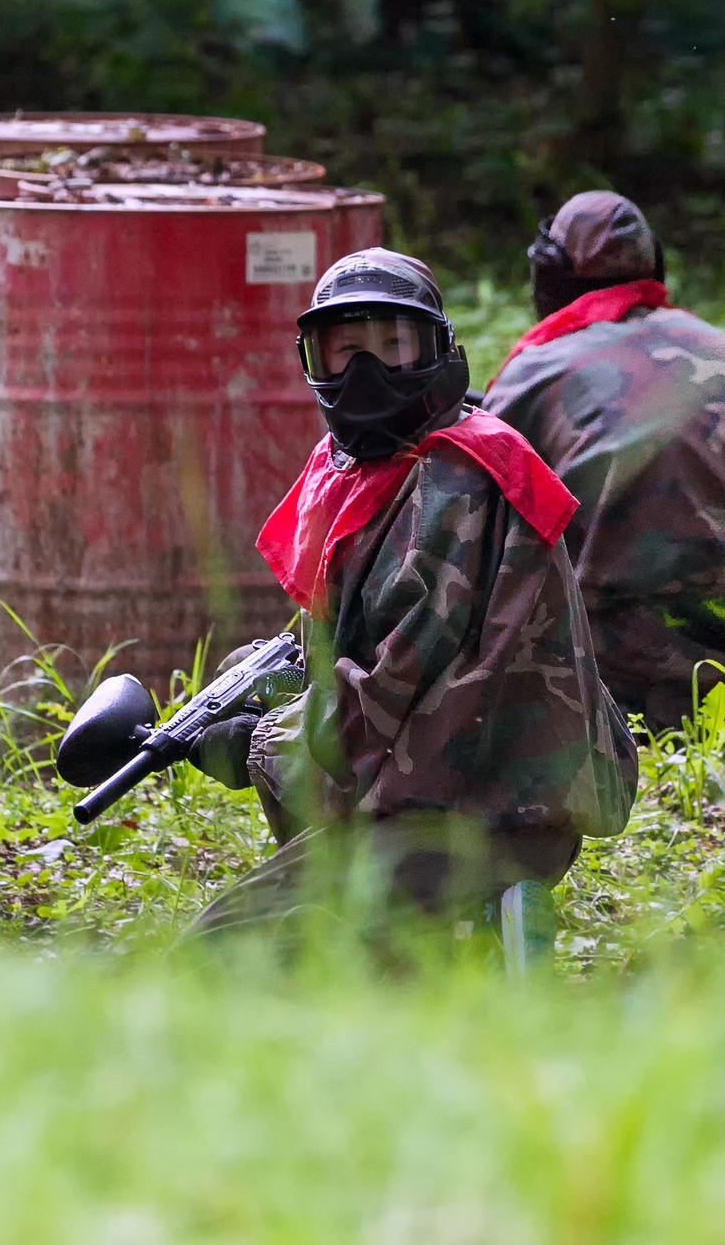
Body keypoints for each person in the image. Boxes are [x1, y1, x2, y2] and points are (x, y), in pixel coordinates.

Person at [186, 247, 639, 941]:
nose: (367, 374)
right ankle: (451, 932)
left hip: (473, 818)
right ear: (314, 360)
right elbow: (339, 647)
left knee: (214, 959)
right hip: (457, 802)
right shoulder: (383, 474)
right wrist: (252, 686)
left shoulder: (453, 485)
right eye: (345, 351)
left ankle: (463, 919)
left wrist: (256, 739)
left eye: (393, 346)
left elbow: (375, 713)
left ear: (437, 351)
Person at [480, 191, 725, 732]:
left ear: (550, 274)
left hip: (651, 638)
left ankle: (664, 706)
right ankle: (724, 695)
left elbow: (487, 516)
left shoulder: (533, 373)